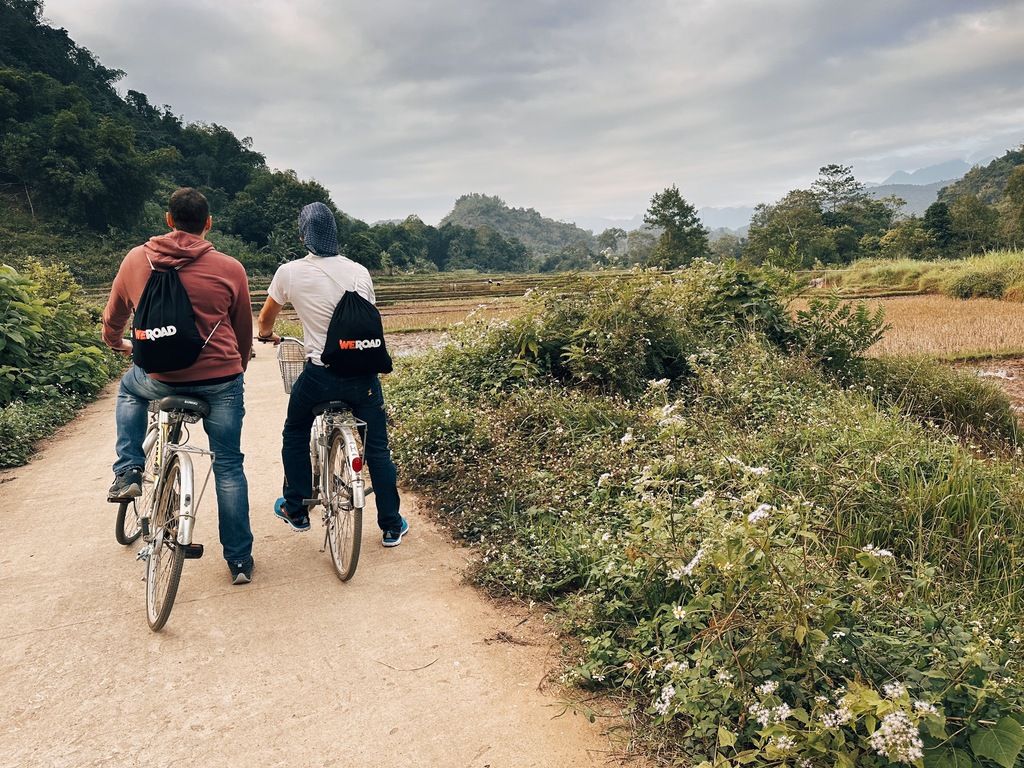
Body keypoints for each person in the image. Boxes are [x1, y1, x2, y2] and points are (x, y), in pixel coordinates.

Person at [102, 187, 256, 585]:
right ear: (208, 223)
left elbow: (114, 317)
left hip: (159, 377)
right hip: (220, 381)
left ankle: (129, 469)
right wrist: (236, 367)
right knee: (228, 465)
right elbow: (242, 333)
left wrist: (117, 342)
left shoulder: (137, 258)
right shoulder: (229, 267)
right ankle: (239, 560)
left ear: (168, 220)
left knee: (129, 389)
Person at [256, 202, 408, 547]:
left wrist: (266, 336)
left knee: (294, 430)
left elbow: (265, 320)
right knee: (379, 450)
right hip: (363, 378)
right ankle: (391, 525)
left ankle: (295, 508)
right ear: (335, 235)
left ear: (303, 236)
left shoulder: (289, 273)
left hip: (320, 377)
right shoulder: (359, 271)